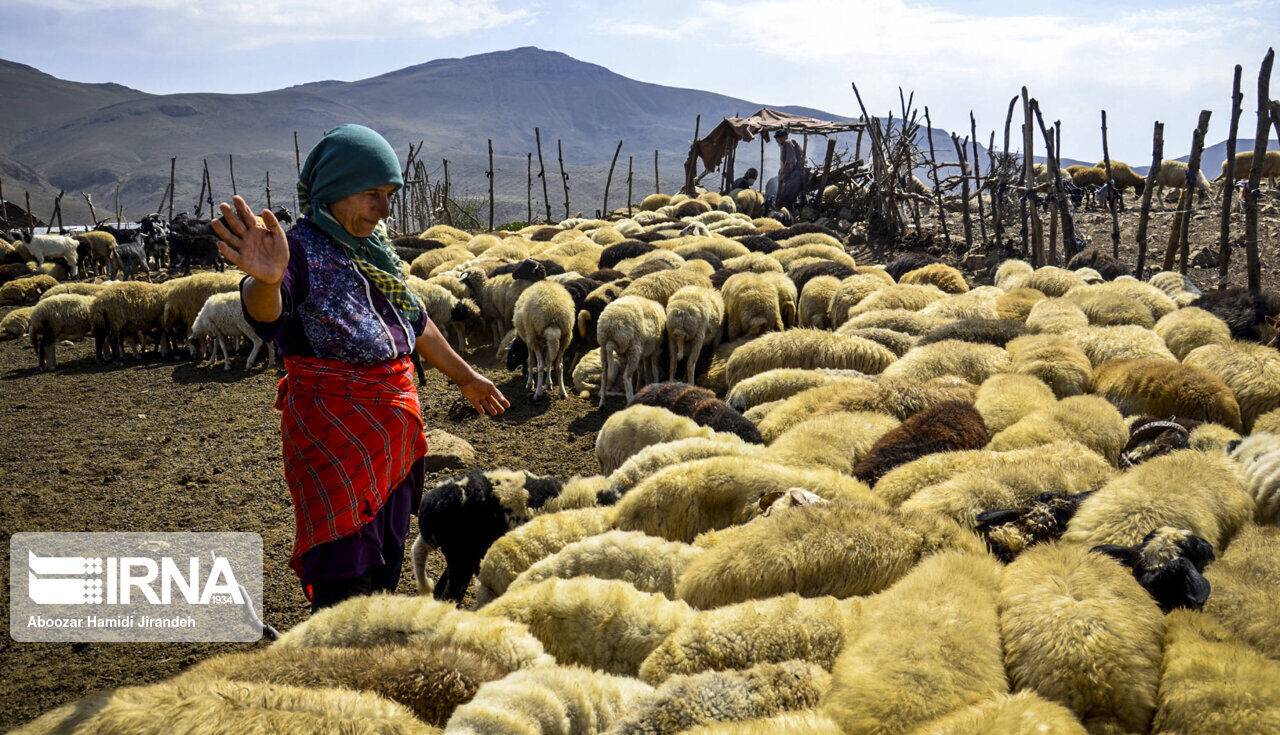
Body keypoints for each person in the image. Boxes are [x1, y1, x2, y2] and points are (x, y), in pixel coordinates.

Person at [211, 123, 510, 613]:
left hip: (391, 441)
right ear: (332, 189)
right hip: (335, 434)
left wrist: (466, 377)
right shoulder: (296, 251)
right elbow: (267, 311)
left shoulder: (375, 252)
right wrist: (263, 281)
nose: (384, 208)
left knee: (382, 561)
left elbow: (414, 322)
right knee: (342, 567)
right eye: (372, 194)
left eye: (390, 194)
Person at [774, 130, 809, 210]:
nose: (777, 140)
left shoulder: (787, 143)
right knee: (785, 200)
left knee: (785, 200)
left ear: (783, 137)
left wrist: (783, 176)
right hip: (795, 174)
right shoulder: (787, 144)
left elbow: (790, 163)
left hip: (794, 175)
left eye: (778, 138)